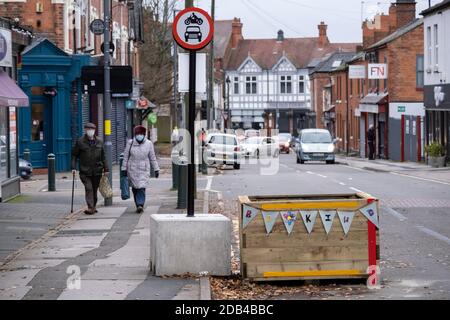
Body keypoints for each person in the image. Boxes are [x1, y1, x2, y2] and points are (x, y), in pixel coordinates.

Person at [71, 122, 109, 215]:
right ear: (85, 130)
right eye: (88, 130)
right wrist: (73, 167)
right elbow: (74, 155)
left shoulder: (99, 141)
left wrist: (106, 168)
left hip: (97, 170)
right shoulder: (80, 142)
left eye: (92, 130)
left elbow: (103, 156)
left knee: (94, 189)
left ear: (94, 130)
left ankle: (93, 206)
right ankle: (90, 207)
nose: (90, 131)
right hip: (85, 171)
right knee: (89, 188)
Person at [122, 125, 160, 213]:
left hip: (144, 168)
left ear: (144, 134)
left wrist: (156, 169)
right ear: (135, 134)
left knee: (141, 187)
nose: (139, 135)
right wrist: (123, 169)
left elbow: (152, 157)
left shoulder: (149, 143)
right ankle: (138, 204)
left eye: (141, 134)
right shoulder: (130, 143)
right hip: (132, 169)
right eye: (138, 134)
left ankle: (140, 204)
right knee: (135, 188)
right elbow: (125, 157)